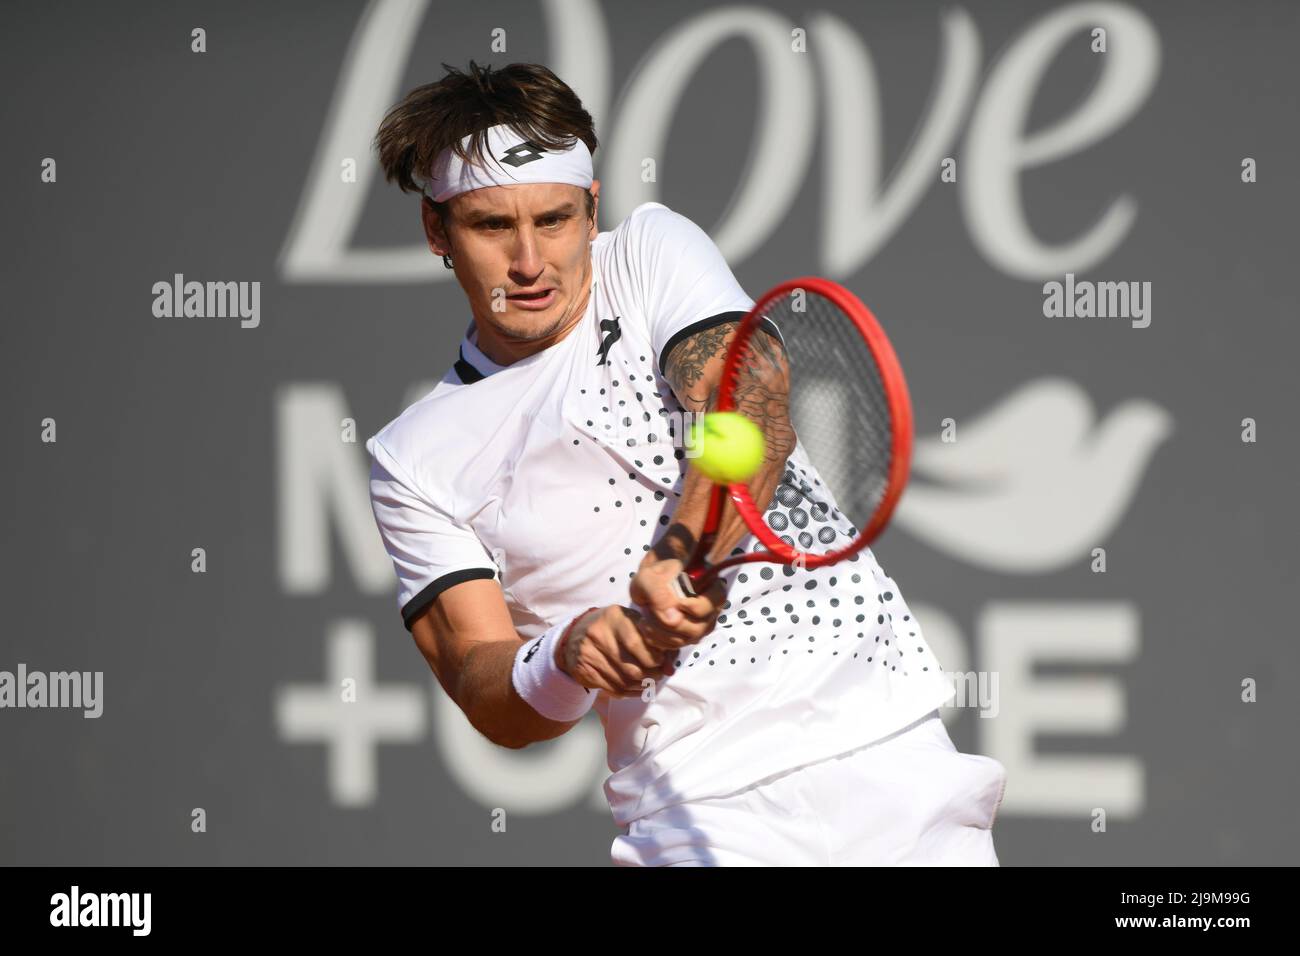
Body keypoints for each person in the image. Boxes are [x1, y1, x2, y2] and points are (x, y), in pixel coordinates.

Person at [366, 60, 1007, 865]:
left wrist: (681, 551)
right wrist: (564, 656)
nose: (530, 261)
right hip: (698, 809)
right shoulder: (412, 457)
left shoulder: (648, 255)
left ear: (592, 207)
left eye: (557, 220)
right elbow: (484, 687)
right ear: (437, 230)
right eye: (492, 226)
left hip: (885, 751)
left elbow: (752, 403)